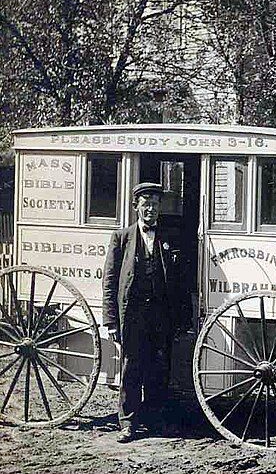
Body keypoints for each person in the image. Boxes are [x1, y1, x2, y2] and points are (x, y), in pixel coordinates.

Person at [102, 182, 185, 443]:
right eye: (146, 204)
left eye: (155, 204)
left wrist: (183, 318)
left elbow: (179, 281)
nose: (150, 209)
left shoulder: (169, 237)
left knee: (160, 368)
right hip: (134, 314)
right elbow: (110, 280)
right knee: (131, 368)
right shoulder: (122, 238)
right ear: (136, 206)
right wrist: (111, 320)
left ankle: (155, 419)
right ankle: (127, 422)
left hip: (161, 314)